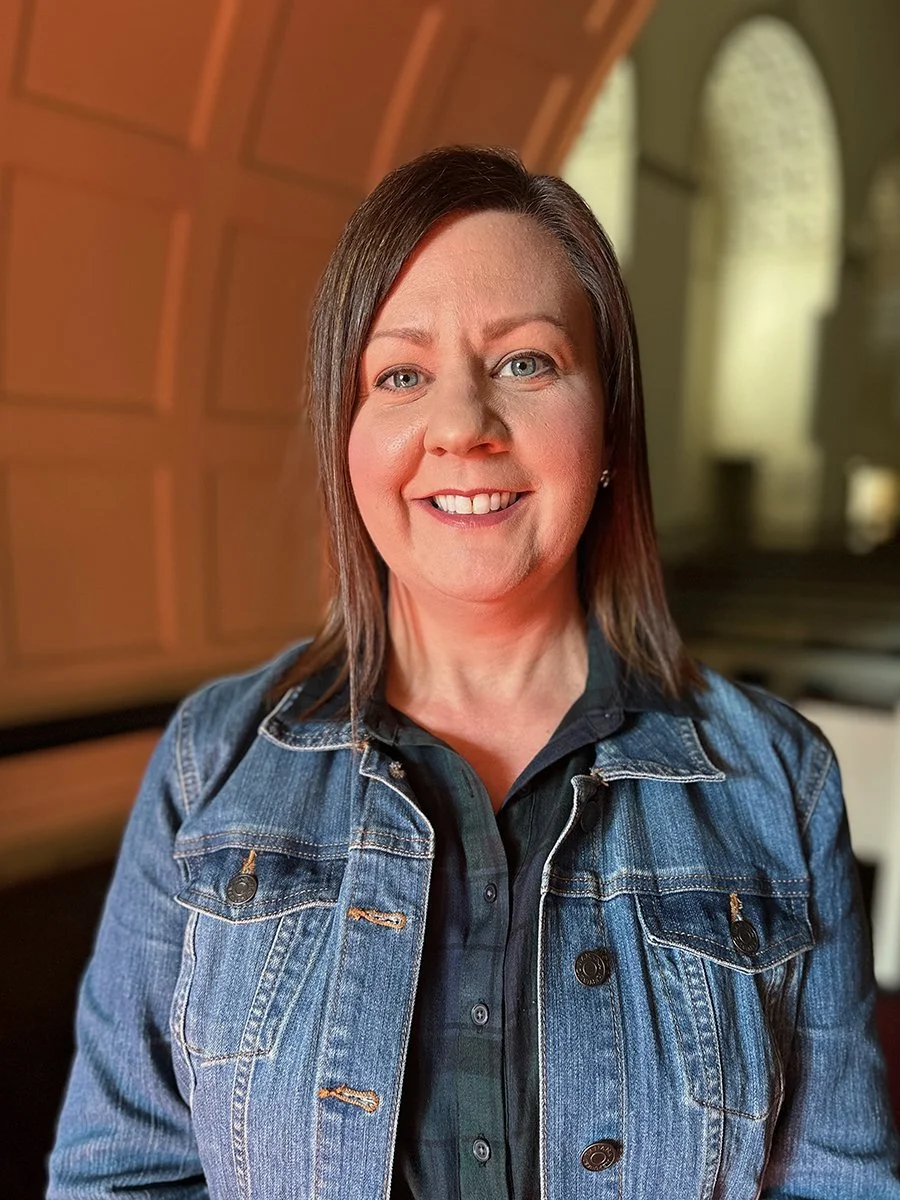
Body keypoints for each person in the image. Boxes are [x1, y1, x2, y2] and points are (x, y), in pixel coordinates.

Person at [49, 145, 900, 1199]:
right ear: (346, 435)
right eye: (401, 375)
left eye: (526, 363)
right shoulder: (210, 763)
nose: (462, 426)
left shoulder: (778, 781)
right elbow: (123, 1175)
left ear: (608, 425)